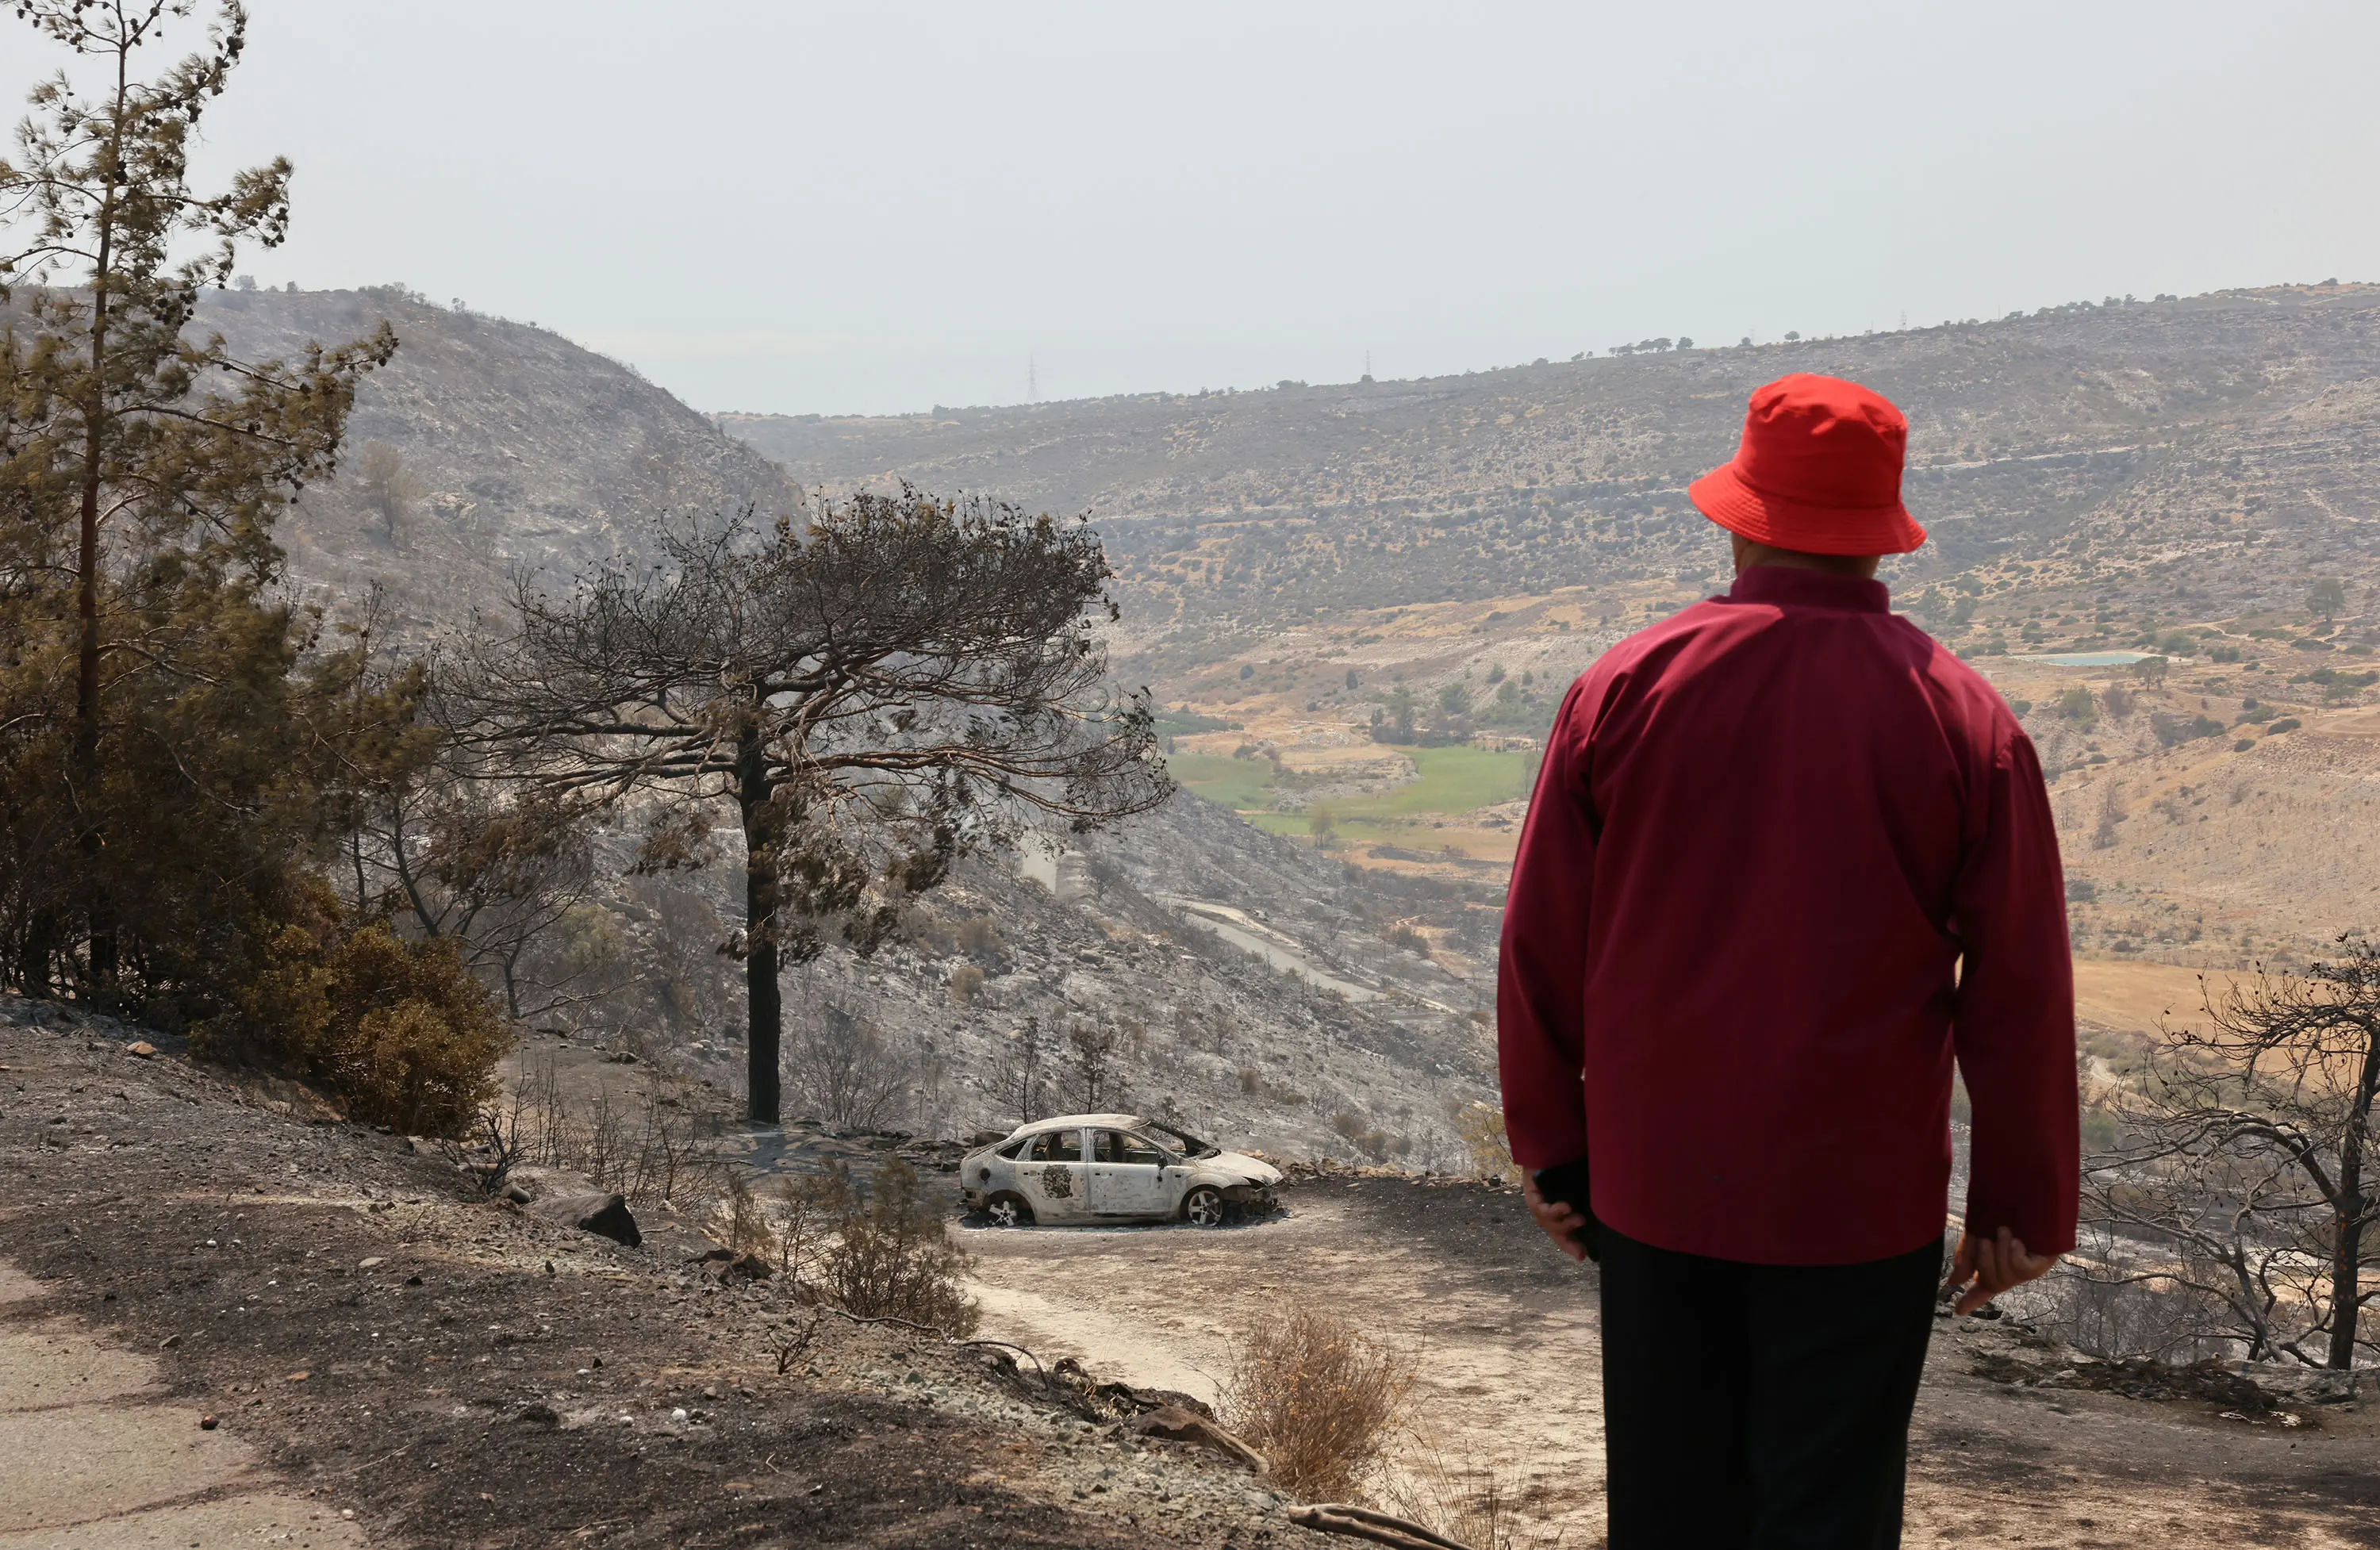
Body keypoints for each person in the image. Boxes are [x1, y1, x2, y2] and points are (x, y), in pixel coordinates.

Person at [1496, 374, 2078, 1549]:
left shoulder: (1625, 688)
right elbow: (2017, 988)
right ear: (1881, 533)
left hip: (1659, 1186)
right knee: (1830, 1514)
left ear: (1741, 515)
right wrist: (2020, 1208)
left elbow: (1543, 943)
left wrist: (1557, 1154)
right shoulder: (1967, 721)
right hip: (1858, 1205)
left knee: (1669, 1509)